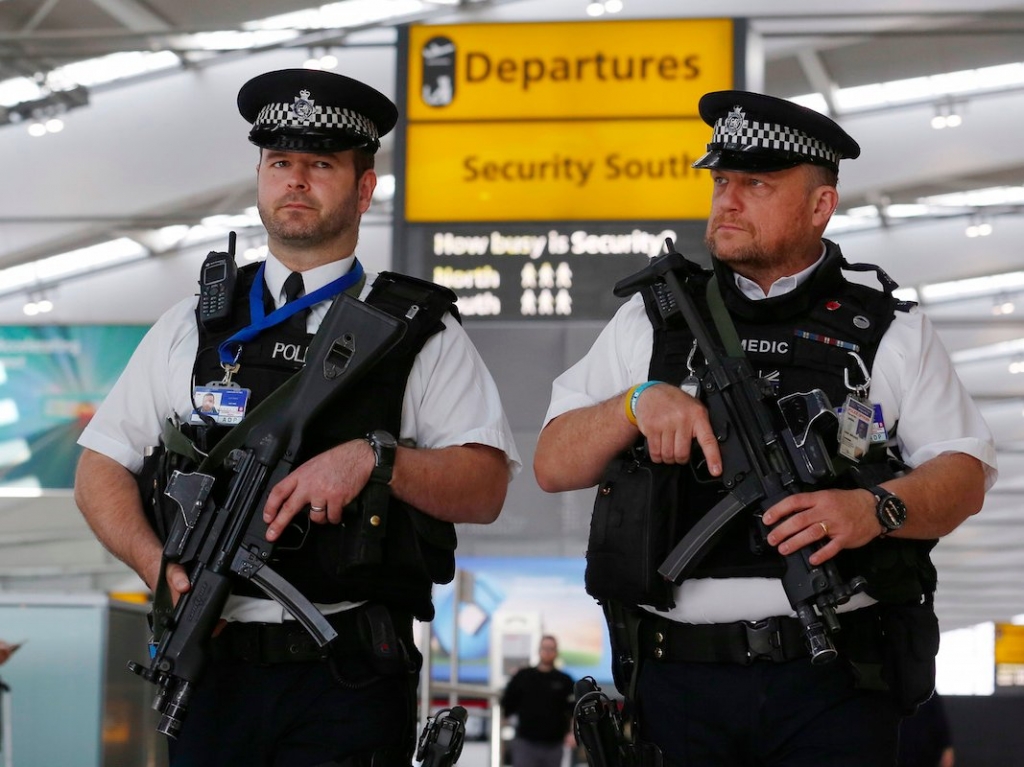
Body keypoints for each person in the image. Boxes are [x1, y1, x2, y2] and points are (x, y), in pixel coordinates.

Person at [534, 90, 997, 766]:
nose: (728, 200)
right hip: (677, 683)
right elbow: (551, 460)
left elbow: (964, 473)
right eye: (723, 181)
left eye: (757, 184)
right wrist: (635, 403)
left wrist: (874, 508)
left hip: (835, 681)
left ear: (820, 206)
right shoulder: (654, 321)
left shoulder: (887, 329)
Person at [74, 68, 519, 767]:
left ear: (364, 187)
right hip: (213, 664)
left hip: (347, 672)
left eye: (320, 164)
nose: (296, 180)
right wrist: (155, 562)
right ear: (260, 177)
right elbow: (100, 464)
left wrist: (377, 460)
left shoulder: (414, 328)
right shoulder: (193, 324)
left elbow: (485, 484)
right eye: (280, 162)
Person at [501, 635, 576, 767]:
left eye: (551, 648)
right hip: (525, 742)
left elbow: (572, 710)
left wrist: (572, 733)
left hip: (554, 744)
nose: (548, 652)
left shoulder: (565, 680)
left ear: (556, 652)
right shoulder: (523, 676)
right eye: (545, 648)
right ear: (539, 650)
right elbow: (507, 704)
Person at [898, 692, 955, 767]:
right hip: (900, 754)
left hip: (924, 756)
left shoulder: (927, 692)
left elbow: (940, 721)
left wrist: (947, 747)